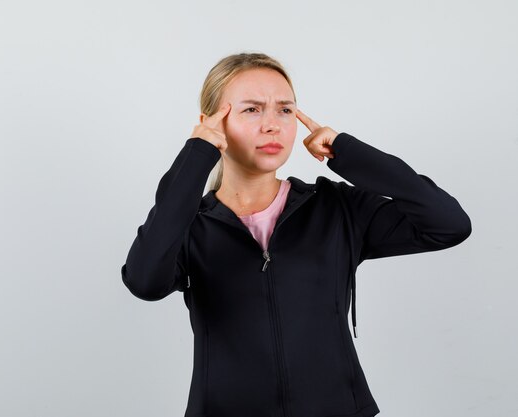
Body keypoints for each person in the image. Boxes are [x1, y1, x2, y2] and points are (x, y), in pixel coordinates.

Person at [120, 52, 471, 417]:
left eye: (285, 110)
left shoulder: (335, 208)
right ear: (211, 124)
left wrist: (347, 152)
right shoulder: (188, 224)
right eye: (252, 110)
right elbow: (144, 281)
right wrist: (197, 154)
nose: (272, 124)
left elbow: (448, 224)